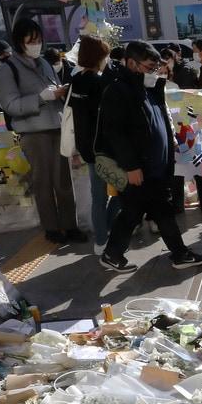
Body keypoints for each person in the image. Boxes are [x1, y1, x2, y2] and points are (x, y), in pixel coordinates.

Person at [96, 40, 202, 273]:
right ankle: (176, 254)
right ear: (130, 63)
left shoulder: (151, 88)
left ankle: (115, 254)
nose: (153, 72)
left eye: (155, 67)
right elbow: (115, 133)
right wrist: (131, 165)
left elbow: (160, 123)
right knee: (139, 211)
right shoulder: (117, 91)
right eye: (149, 67)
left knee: (143, 210)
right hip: (139, 167)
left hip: (156, 166)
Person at [0, 17, 83, 243]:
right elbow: (11, 105)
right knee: (43, 181)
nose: (36, 44)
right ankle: (51, 228)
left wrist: (57, 92)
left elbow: (51, 89)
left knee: (63, 181)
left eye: (39, 40)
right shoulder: (8, 70)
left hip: (56, 127)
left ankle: (70, 226)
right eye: (30, 40)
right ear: (19, 42)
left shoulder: (43, 62)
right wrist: (41, 98)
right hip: (34, 133)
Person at [66, 35, 115, 247]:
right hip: (103, 146)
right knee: (120, 190)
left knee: (98, 194)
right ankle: (104, 236)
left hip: (86, 146)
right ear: (98, 57)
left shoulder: (76, 81)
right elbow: (105, 117)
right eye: (105, 55)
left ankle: (102, 239)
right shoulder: (99, 82)